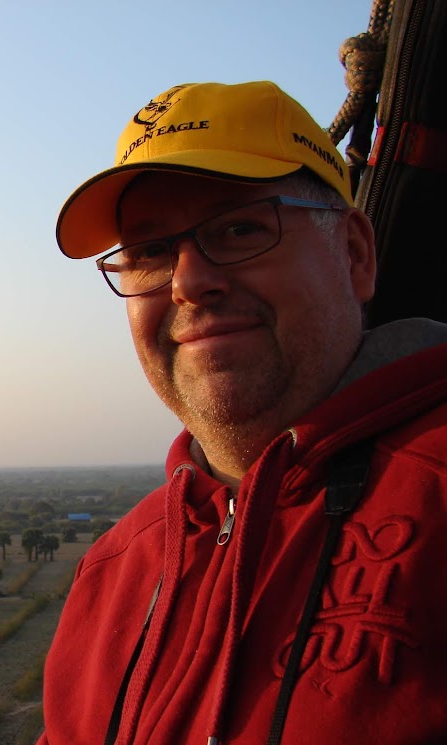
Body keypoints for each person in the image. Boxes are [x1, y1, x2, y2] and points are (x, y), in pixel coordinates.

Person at [40, 81, 447, 745]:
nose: (186, 280)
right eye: (149, 251)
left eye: (239, 228)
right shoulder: (115, 571)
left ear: (353, 255)